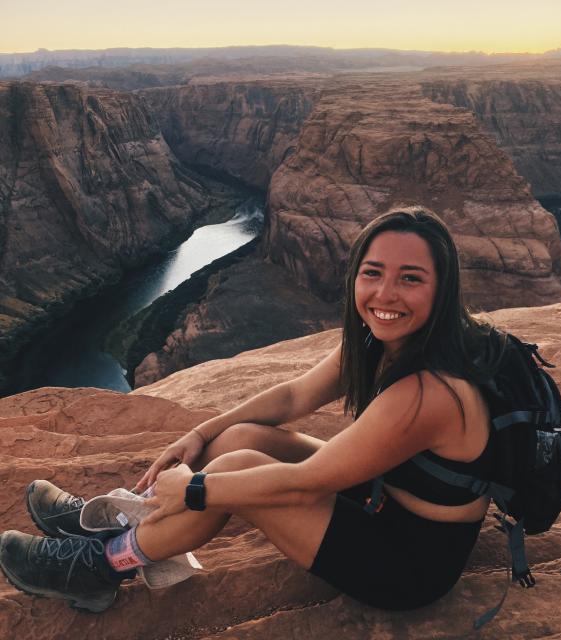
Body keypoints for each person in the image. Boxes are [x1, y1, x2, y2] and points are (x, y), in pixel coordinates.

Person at [0, 206, 505, 614]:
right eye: (372, 273)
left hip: (406, 562)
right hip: (384, 499)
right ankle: (119, 520)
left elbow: (309, 481)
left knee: (231, 472)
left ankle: (99, 567)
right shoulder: (382, 343)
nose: (384, 294)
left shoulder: (429, 391)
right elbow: (293, 397)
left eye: (410, 279)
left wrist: (196, 486)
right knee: (238, 438)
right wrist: (200, 432)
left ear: (442, 290)